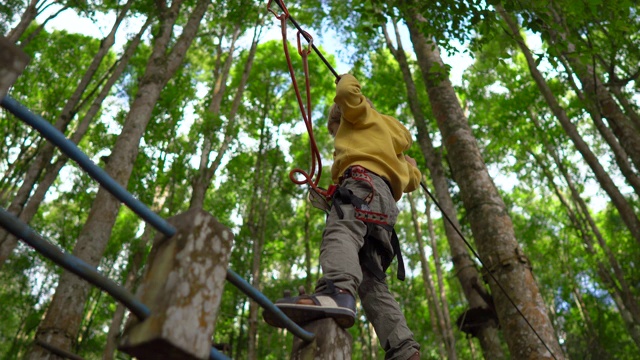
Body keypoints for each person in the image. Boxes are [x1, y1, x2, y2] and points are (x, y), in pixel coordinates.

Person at [264, 74, 421, 360]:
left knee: (342, 233)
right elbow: (411, 181)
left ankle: (336, 289)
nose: (337, 140)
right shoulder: (391, 146)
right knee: (371, 279)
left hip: (362, 187)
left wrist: (345, 79)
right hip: (383, 209)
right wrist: (411, 166)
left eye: (336, 131)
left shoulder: (360, 116)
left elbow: (348, 92)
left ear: (345, 118)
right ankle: (403, 347)